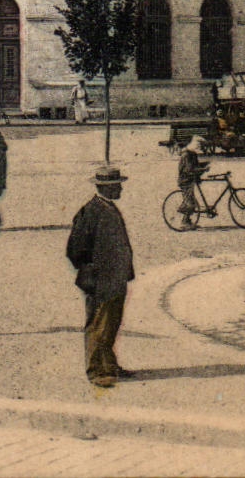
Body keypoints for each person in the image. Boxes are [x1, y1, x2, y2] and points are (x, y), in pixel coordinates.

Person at [66, 166, 135, 388]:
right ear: (106, 187)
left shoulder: (108, 208)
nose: (122, 188)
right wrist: (94, 271)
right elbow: (75, 250)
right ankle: (97, 371)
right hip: (101, 281)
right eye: (118, 185)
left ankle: (109, 365)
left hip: (116, 279)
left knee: (111, 324)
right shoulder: (90, 211)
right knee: (98, 325)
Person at [175, 140, 209, 227]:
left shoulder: (193, 154)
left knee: (191, 201)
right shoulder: (186, 155)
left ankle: (188, 220)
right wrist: (203, 169)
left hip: (191, 179)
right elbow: (189, 169)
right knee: (191, 203)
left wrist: (204, 165)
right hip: (185, 181)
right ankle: (184, 222)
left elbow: (195, 165)